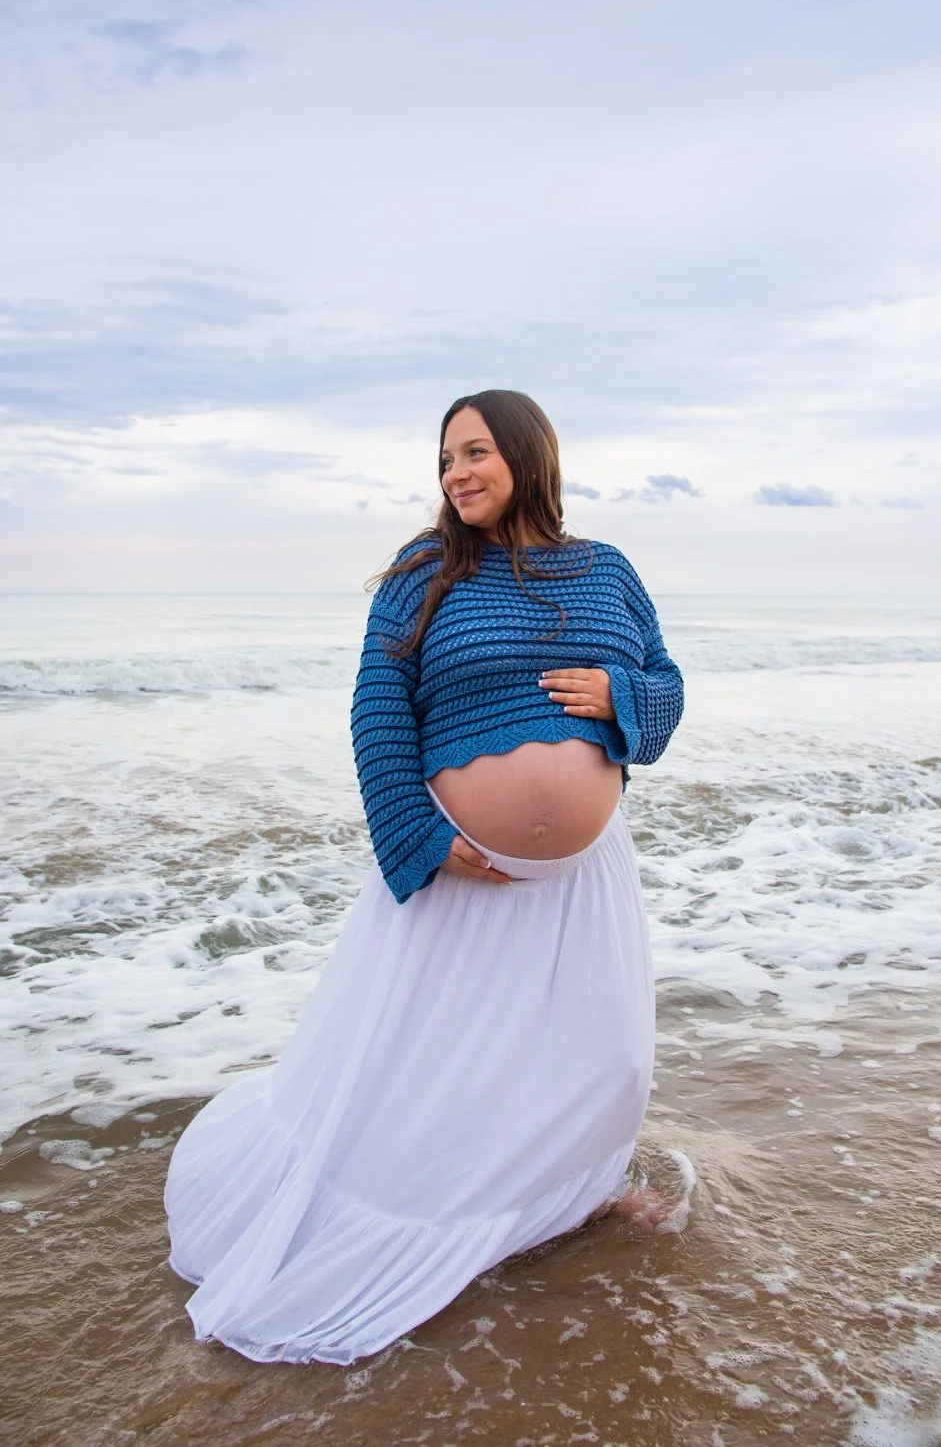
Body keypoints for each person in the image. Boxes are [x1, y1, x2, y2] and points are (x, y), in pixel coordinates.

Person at [164, 388, 685, 1365]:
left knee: (601, 1056)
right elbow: (377, 708)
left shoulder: (607, 569)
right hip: (459, 870)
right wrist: (413, 833)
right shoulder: (423, 573)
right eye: (446, 458)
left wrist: (621, 694)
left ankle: (568, 1196)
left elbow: (665, 686)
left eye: (475, 451)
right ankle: (421, 1218)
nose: (456, 473)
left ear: (527, 455)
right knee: (428, 1070)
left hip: (582, 882)